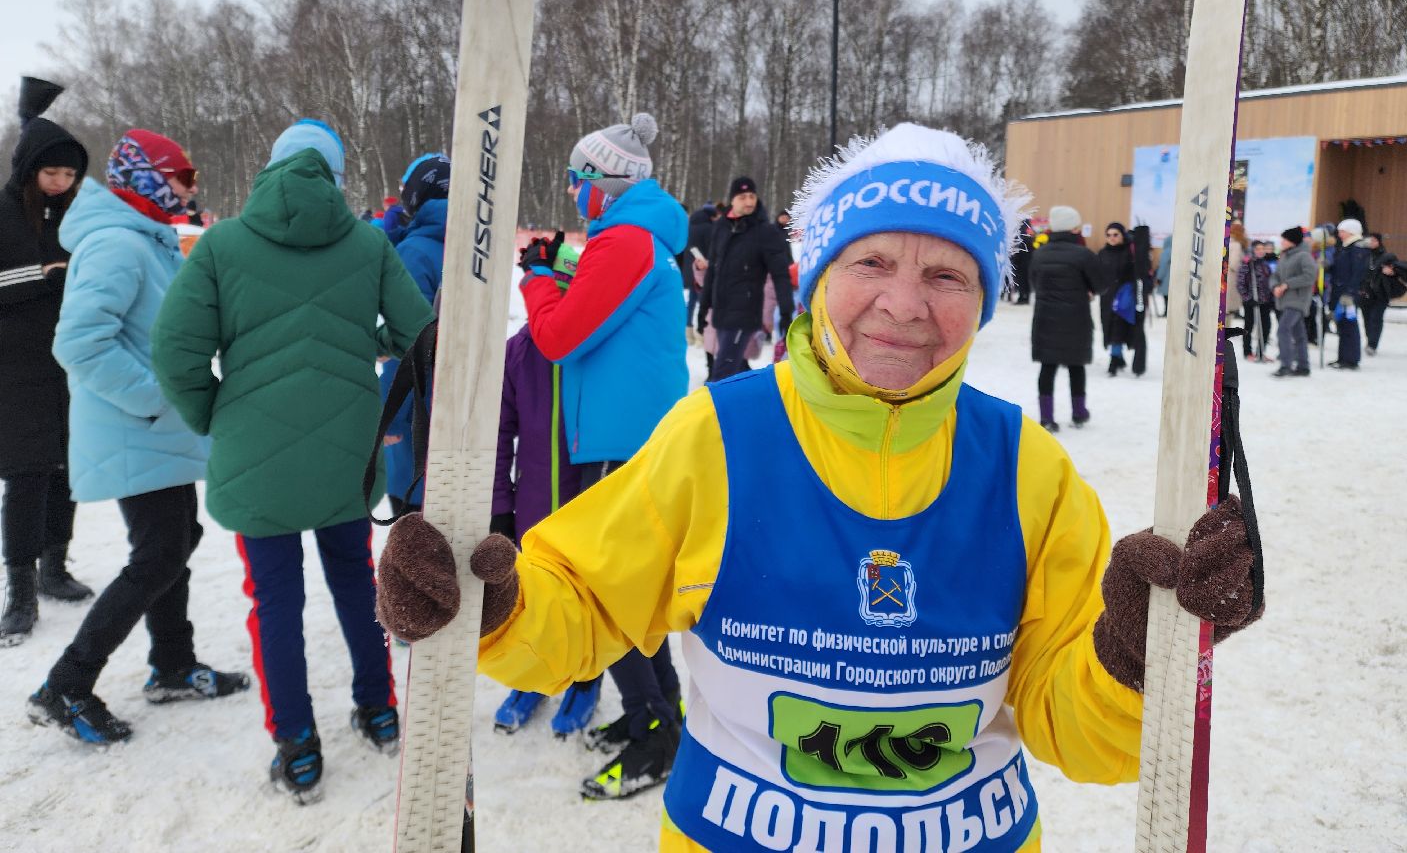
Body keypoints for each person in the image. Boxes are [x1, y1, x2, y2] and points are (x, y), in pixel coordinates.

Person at [376, 122, 1262, 852]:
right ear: (816, 276)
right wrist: (494, 609)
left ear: (986, 300)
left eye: (948, 275)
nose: (905, 305)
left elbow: (1074, 724)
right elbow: (583, 601)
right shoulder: (718, 439)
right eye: (871, 263)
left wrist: (1132, 660)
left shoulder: (1029, 472)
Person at [150, 120, 435, 803]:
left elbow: (174, 352)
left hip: (258, 467)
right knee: (355, 582)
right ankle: (380, 709)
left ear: (269, 170)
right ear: (335, 178)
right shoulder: (367, 243)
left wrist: (214, 415)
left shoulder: (220, 245)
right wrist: (357, 339)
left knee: (274, 601)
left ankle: (299, 750)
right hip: (344, 460)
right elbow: (420, 334)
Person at [27, 130, 249, 746]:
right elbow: (78, 343)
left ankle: (173, 665)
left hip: (157, 430)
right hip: (137, 426)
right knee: (158, 552)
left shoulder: (149, 240)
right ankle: (65, 684)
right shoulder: (118, 245)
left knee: (178, 539)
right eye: (182, 175)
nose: (190, 187)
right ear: (147, 176)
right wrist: (157, 397)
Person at [515, 111, 689, 798]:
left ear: (604, 185)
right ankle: (661, 714)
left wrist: (533, 282)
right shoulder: (634, 238)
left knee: (610, 592)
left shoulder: (627, 245)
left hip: (622, 441)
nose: (568, 192)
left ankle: (654, 735)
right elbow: (594, 286)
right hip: (628, 434)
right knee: (633, 591)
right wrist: (558, 264)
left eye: (574, 180)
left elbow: (559, 335)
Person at [489, 244, 598, 737]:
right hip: (533, 502)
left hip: (586, 501)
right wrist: (499, 509)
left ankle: (585, 677)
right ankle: (533, 675)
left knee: (588, 598)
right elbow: (499, 433)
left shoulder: (594, 346)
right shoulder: (519, 349)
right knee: (529, 596)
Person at [1, 78, 94, 645]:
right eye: (51, 172)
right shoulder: (3, 213)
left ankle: (55, 567)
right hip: (15, 368)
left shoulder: (75, 215)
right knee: (27, 474)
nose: (61, 183)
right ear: (31, 167)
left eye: (70, 175)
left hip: (70, 360)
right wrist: (43, 277)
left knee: (69, 468)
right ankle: (19, 588)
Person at [378, 152, 450, 517]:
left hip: (416, 417)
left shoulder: (414, 253)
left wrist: (388, 414)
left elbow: (407, 341)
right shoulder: (473, 249)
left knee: (413, 554)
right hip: (460, 412)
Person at [697, 176, 795, 382]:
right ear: (733, 200)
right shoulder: (722, 227)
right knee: (736, 366)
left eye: (752, 196)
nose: (749, 201)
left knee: (721, 374)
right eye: (743, 197)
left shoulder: (764, 231)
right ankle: (757, 402)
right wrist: (704, 307)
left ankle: (711, 411)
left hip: (745, 314)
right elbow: (713, 271)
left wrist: (786, 311)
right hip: (721, 312)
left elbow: (780, 274)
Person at [1030, 205, 1103, 431]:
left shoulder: (1039, 253)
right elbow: (1100, 283)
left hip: (1045, 318)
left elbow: (1033, 283)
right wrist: (1089, 291)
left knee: (1047, 367)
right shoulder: (1083, 255)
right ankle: (1079, 412)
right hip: (1076, 319)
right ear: (1073, 228)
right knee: (1076, 365)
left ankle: (1046, 417)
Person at [1271, 226, 1318, 378]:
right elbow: (1275, 275)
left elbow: (1310, 276)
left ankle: (1286, 364)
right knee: (1299, 334)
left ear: (1293, 241)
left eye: (1285, 239)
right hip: (1286, 299)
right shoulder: (1285, 256)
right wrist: (1275, 285)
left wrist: (1287, 284)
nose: (1282, 242)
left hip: (1298, 300)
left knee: (1283, 329)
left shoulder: (1304, 256)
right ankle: (1303, 366)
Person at [1096, 221, 1138, 376]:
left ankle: (1114, 360)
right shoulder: (1102, 253)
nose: (1112, 238)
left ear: (1122, 235)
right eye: (1108, 235)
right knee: (1108, 326)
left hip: (1124, 298)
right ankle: (1119, 357)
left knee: (1118, 328)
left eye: (1115, 234)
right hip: (1107, 298)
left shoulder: (1130, 253)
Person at [1328, 218, 1367, 370]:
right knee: (1342, 325)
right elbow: (1340, 269)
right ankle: (1342, 357)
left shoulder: (1357, 248)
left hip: (1348, 294)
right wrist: (1328, 266)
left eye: (1342, 231)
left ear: (1351, 231)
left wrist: (1350, 292)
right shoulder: (1345, 247)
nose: (1339, 234)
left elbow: (1358, 273)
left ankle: (1351, 359)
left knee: (1349, 325)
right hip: (1340, 291)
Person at [682, 202, 717, 345]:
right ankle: (701, 333)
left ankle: (688, 332)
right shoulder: (710, 228)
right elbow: (712, 250)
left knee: (691, 302)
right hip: (703, 271)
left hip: (689, 269)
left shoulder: (690, 226)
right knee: (705, 303)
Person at [1236, 238, 1275, 362]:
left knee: (1266, 326)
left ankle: (1261, 351)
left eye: (1262, 249)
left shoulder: (1265, 264)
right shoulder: (1248, 263)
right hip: (1251, 301)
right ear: (1253, 250)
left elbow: (1269, 280)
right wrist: (1247, 298)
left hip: (1264, 301)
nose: (1260, 251)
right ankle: (1247, 352)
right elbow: (1240, 283)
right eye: (1258, 249)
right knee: (1249, 326)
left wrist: (1270, 298)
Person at [1358, 233, 1396, 356]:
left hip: (1381, 293)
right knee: (1367, 319)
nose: (1371, 243)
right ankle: (1370, 340)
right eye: (1369, 240)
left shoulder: (1387, 257)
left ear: (1379, 241)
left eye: (1374, 240)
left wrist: (1391, 271)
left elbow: (1397, 270)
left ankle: (1372, 344)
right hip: (1365, 292)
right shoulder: (1362, 255)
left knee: (1376, 318)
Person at [1155, 233, 1172, 317]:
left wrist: (1159, 278)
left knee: (1166, 297)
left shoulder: (1166, 252)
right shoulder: (1178, 251)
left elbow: (1163, 265)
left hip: (1166, 279)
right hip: (1174, 279)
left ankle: (1166, 312)